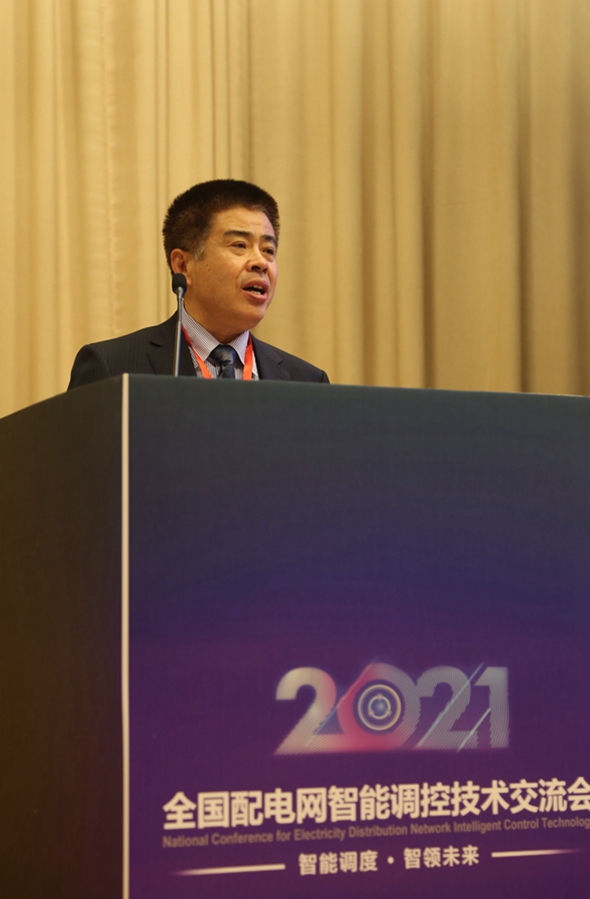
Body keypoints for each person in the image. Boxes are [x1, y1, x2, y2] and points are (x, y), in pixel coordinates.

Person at [68, 179, 329, 387]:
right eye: (240, 245)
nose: (261, 262)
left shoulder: (306, 382)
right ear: (183, 265)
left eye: (268, 250)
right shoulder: (113, 368)